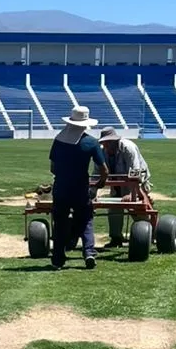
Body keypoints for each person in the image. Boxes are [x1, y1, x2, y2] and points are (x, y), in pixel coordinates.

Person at [48, 106, 107, 269]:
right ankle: (89, 252)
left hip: (61, 188)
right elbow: (103, 168)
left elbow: (52, 167)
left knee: (60, 223)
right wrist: (101, 182)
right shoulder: (90, 142)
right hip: (80, 188)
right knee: (86, 218)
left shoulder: (58, 140)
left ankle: (58, 259)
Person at [98, 126, 150, 246]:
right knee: (114, 207)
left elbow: (135, 171)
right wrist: (93, 192)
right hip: (116, 181)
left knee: (136, 207)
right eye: (103, 143)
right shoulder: (102, 152)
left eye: (107, 143)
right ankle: (116, 238)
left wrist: (131, 193)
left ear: (114, 142)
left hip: (137, 181)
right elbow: (97, 173)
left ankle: (146, 233)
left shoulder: (128, 148)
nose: (105, 146)